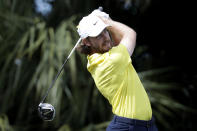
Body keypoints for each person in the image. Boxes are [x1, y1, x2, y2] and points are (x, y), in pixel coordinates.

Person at [76, 9, 158, 131]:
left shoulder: (102, 57)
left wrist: (104, 23)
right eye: (98, 35)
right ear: (86, 41)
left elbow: (119, 41)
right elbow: (130, 34)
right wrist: (106, 20)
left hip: (146, 126)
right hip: (128, 127)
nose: (106, 37)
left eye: (105, 31)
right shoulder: (108, 62)